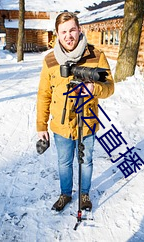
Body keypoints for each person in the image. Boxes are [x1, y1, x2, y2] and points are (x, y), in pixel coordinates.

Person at [36, 12, 114, 212]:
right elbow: (44, 94)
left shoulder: (96, 55)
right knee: (64, 162)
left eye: (72, 30)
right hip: (61, 124)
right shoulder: (50, 60)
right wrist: (41, 126)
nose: (68, 35)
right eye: (63, 32)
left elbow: (110, 87)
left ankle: (85, 194)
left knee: (86, 160)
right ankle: (65, 194)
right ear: (57, 34)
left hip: (87, 121)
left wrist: (94, 89)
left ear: (79, 30)